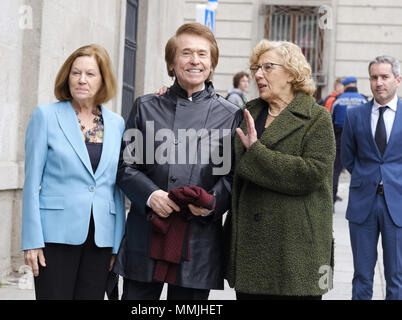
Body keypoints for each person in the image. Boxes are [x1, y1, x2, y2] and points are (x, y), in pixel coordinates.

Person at [112, 22, 242, 300]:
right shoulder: (145, 106)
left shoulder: (230, 114)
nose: (195, 60)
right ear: (172, 64)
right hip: (147, 232)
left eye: (203, 54)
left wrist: (210, 204)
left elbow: (232, 177)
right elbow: (126, 166)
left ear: (212, 63)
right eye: (186, 53)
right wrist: (151, 195)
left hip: (198, 239)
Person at [224, 39, 335, 300]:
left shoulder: (317, 118)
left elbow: (310, 174)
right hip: (252, 249)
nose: (258, 75)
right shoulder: (248, 112)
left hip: (298, 252)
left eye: (268, 67)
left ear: (292, 74)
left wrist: (257, 154)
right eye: (256, 68)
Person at [22, 44, 126, 300]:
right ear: (66, 77)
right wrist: (32, 240)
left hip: (100, 238)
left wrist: (117, 244)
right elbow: (31, 182)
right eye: (75, 73)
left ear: (103, 80)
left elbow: (117, 189)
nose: (81, 80)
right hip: (55, 236)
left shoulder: (117, 123)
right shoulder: (45, 116)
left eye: (90, 74)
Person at [341, 55, 402, 300]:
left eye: (385, 77)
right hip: (362, 204)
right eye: (374, 77)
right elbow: (347, 156)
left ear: (398, 80)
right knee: (362, 276)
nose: (379, 82)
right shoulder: (355, 116)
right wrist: (367, 177)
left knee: (396, 276)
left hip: (397, 205)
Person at [331, 77, 367, 205]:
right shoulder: (363, 100)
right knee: (361, 171)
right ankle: (360, 202)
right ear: (355, 85)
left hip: (340, 138)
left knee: (335, 171)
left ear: (345, 86)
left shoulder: (338, 101)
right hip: (360, 140)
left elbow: (331, 120)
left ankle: (332, 201)